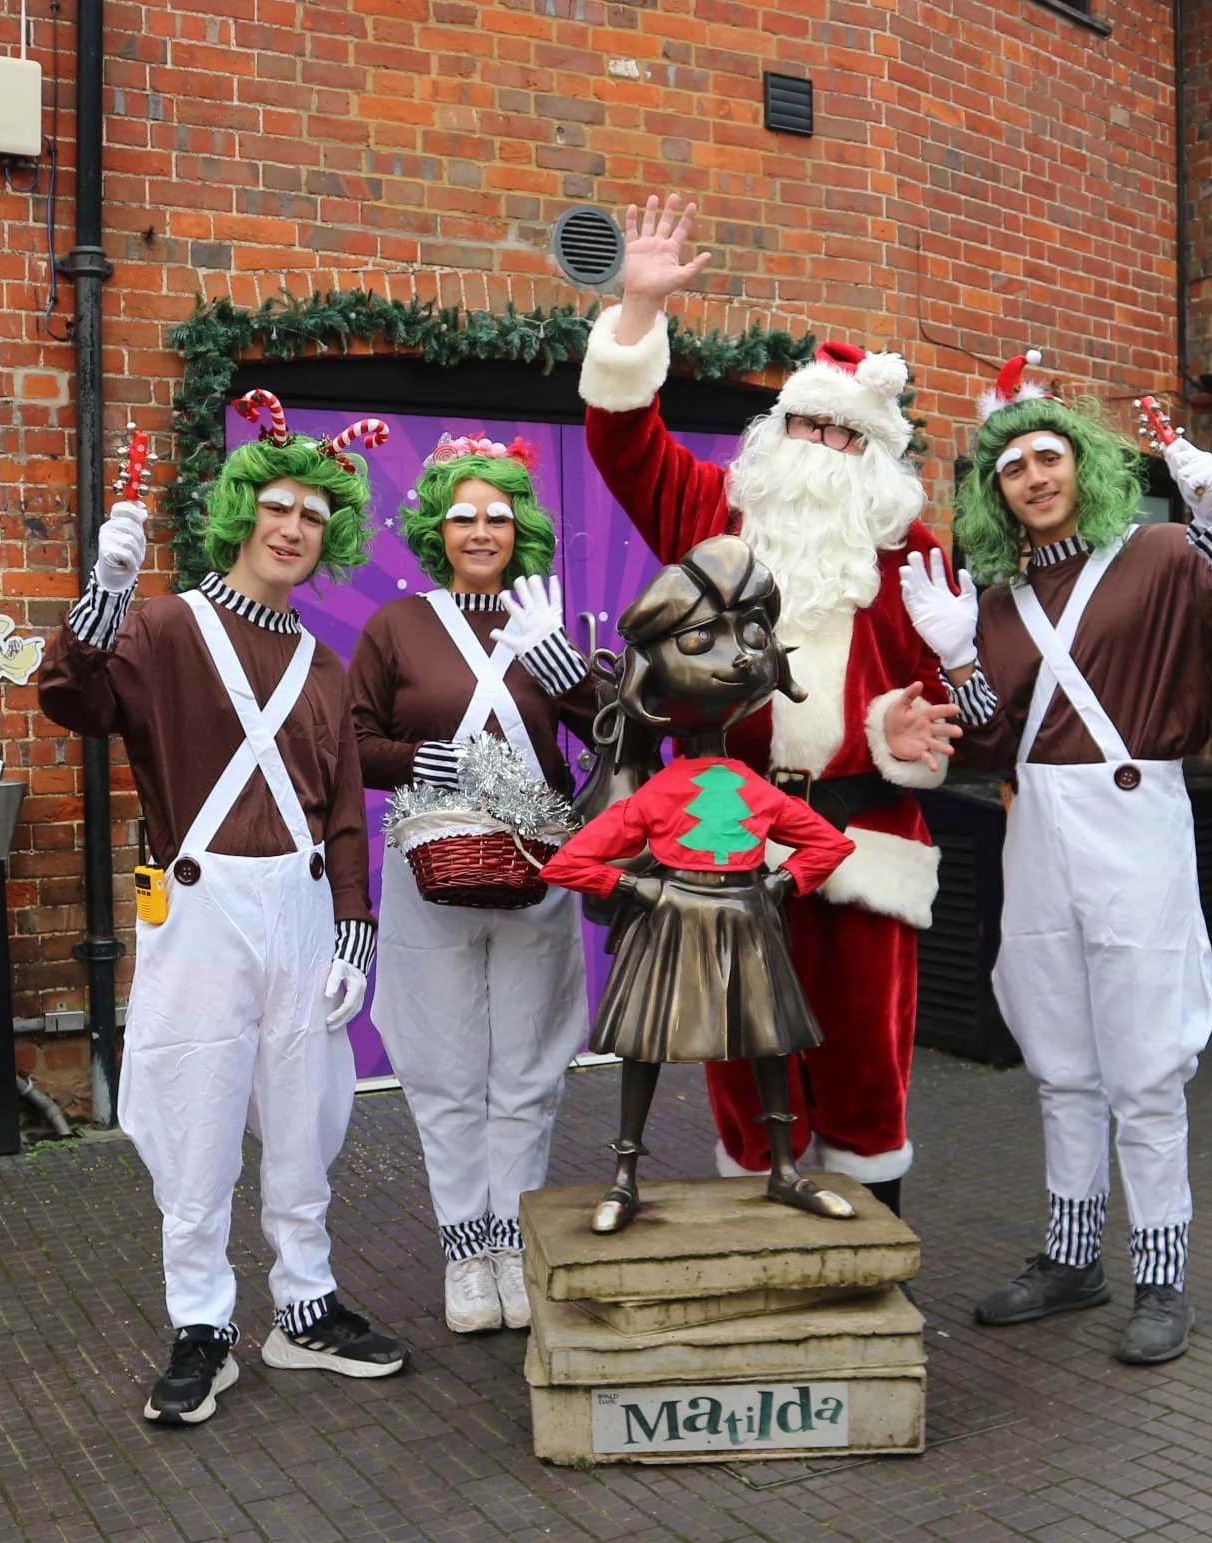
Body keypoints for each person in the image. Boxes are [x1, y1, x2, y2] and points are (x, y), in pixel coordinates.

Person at [901, 355, 1212, 1364]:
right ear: (996, 491)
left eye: (1049, 457)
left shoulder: (1168, 553)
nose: (1033, 478)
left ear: (1082, 464)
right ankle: (1071, 1257)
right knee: (1060, 1058)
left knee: (1145, 1064)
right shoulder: (995, 602)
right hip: (1036, 826)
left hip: (1137, 820)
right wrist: (957, 658)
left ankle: (1162, 1279)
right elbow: (990, 748)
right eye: (1011, 468)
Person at [578, 194, 959, 1211]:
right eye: (804, 423)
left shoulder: (911, 552)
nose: (817, 445)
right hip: (726, 829)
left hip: (865, 831)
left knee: (865, 1052)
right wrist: (635, 315)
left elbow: (942, 694)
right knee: (740, 1038)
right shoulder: (712, 512)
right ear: (775, 428)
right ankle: (758, 1222)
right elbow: (621, 443)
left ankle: (872, 1231)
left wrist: (903, 733)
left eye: (842, 435)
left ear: (871, 459)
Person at [38, 393, 410, 1425]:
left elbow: (341, 812)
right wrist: (105, 595)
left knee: (304, 1129)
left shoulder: (324, 664)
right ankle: (201, 1323)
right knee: (194, 1128)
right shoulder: (162, 627)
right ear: (243, 512)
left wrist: (352, 927)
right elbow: (69, 697)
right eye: (277, 508)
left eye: (313, 519)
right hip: (197, 919)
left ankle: (305, 1307)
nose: (292, 530)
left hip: (297, 920)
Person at [348, 434, 596, 1335]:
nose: (482, 529)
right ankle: (464, 1250)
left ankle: (512, 1240)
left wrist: (570, 670)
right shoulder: (394, 628)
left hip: (538, 869)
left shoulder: (541, 614)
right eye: (464, 515)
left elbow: (617, 728)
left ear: (518, 526)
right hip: (431, 868)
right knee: (445, 1066)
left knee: (526, 1067)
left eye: (498, 514)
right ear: (437, 528)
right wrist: (428, 757)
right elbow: (354, 741)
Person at [541, 537, 859, 1232]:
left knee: (771, 1039)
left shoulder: (746, 786)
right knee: (646, 1043)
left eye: (752, 636)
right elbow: (568, 863)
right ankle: (624, 1175)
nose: (740, 656)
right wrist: (642, 891)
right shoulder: (659, 794)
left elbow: (827, 842)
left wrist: (780, 884)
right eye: (701, 639)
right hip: (675, 921)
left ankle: (783, 1168)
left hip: (745, 920)